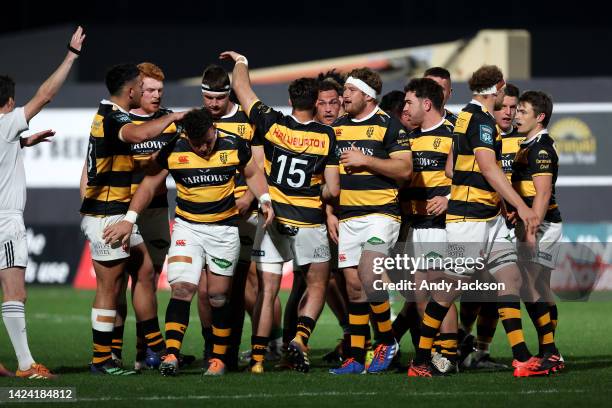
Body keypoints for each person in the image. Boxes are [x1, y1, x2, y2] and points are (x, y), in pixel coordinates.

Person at [407, 65, 554, 378]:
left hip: (488, 216)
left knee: (510, 279)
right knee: (448, 290)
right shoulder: (481, 120)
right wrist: (520, 206)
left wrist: (492, 198)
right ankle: (420, 361)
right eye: (504, 92)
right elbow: (488, 168)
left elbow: (450, 169)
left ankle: (522, 358)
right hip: (469, 219)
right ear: (498, 88)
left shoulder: (463, 118)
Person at [103, 107, 273, 376]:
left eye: (207, 141)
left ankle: (217, 359)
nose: (204, 148)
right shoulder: (175, 148)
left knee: (217, 296)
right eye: (197, 144)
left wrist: (264, 200)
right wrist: (130, 218)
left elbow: (252, 173)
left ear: (214, 129)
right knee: (182, 289)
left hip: (224, 230)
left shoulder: (234, 144)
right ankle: (170, 354)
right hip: (187, 229)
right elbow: (148, 185)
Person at [220, 50, 340, 374]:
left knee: (267, 291)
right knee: (317, 285)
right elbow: (334, 189)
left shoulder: (271, 123)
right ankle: (301, 338)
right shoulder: (327, 136)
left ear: (290, 99)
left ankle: (258, 360)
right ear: (316, 102)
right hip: (310, 221)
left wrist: (242, 62)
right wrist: (319, 192)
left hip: (272, 220)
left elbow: (242, 89)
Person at [80, 62, 183, 375]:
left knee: (144, 270)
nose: (144, 90)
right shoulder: (114, 118)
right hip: (107, 216)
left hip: (118, 213)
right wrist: (175, 117)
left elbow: (120, 163)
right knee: (110, 289)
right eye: (141, 86)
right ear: (130, 90)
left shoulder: (110, 114)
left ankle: (154, 345)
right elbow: (138, 133)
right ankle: (102, 359)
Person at [0, 26, 85, 380]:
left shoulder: (9, 135)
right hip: (5, 222)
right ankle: (25, 367)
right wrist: (71, 55)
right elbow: (46, 95)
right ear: (8, 101)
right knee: (15, 292)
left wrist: (21, 144)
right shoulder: (7, 123)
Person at [108, 62, 193, 371]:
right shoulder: (120, 121)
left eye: (160, 90)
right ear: (135, 90)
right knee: (115, 282)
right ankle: (112, 352)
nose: (156, 96)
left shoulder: (170, 123)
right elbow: (90, 169)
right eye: (150, 90)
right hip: (119, 211)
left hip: (156, 211)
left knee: (148, 279)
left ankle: (146, 353)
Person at [328, 68, 412, 375]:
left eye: (350, 90)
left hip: (381, 215)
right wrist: (328, 212)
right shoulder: (337, 128)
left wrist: (366, 160)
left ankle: (387, 340)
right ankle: (354, 357)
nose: (344, 95)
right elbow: (331, 175)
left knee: (369, 273)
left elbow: (405, 171)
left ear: (368, 96)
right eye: (344, 90)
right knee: (353, 289)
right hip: (348, 216)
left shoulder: (389, 126)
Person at [199, 64, 284, 369]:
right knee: (207, 285)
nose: (212, 104)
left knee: (248, 282)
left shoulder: (247, 120)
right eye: (207, 97)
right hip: (208, 214)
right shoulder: (199, 120)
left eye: (217, 99)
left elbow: (258, 164)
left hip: (244, 211)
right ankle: (215, 350)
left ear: (229, 94)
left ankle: (270, 343)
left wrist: (250, 197)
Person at [461, 83, 522, 370]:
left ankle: (480, 351)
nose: (508, 112)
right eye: (504, 106)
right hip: (478, 218)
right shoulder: (480, 132)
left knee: (500, 289)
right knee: (472, 287)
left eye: (514, 107)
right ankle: (458, 341)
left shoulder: (523, 142)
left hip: (509, 226)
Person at [400, 78, 456, 372]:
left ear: (426, 104)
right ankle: (432, 354)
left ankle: (450, 355)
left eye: (409, 102)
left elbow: (480, 174)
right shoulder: (409, 138)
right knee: (419, 293)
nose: (405, 108)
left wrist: (448, 197)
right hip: (416, 224)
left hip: (440, 224)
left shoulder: (455, 133)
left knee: (438, 288)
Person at [512, 90, 563, 370]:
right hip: (539, 225)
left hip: (543, 226)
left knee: (527, 285)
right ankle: (550, 352)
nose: (516, 116)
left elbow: (543, 195)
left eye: (522, 111)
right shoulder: (527, 144)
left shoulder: (541, 148)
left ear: (539, 117)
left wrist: (532, 231)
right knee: (540, 287)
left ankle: (550, 351)